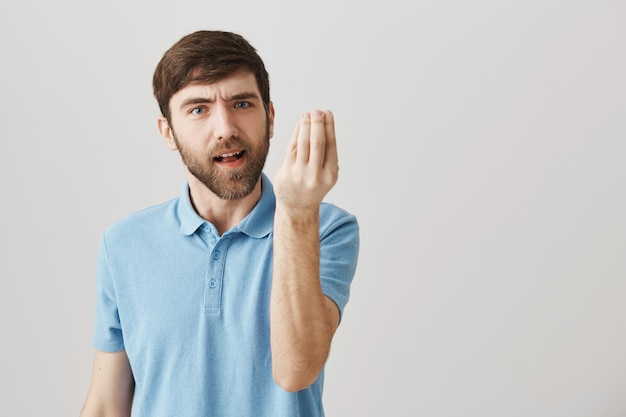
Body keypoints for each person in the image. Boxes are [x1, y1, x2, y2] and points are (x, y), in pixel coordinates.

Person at [79, 30, 359, 417]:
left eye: (242, 103)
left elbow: (296, 371)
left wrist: (296, 212)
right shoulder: (124, 243)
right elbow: (108, 405)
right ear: (168, 132)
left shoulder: (325, 227)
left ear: (270, 117)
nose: (225, 128)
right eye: (198, 109)